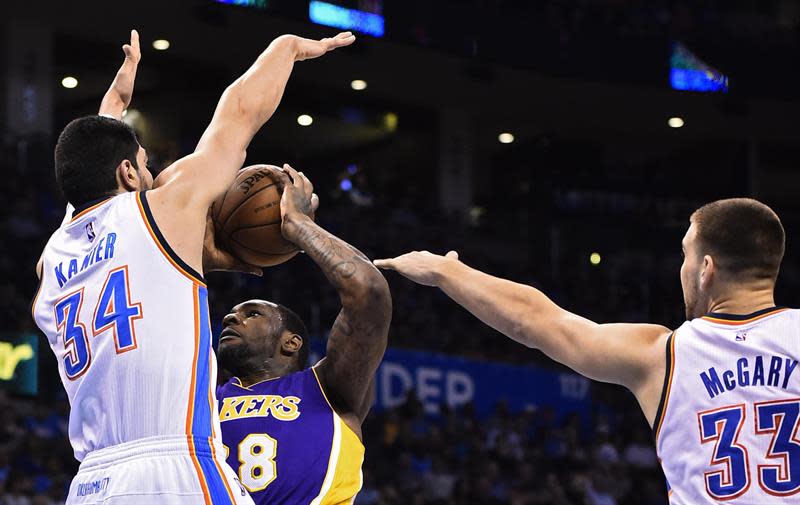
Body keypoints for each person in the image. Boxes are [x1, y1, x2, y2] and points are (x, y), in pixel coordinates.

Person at [31, 30, 355, 504]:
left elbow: (86, 170)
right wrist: (286, 47)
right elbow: (239, 113)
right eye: (144, 166)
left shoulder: (51, 259)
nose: (153, 175)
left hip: (90, 483)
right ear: (125, 174)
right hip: (177, 468)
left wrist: (113, 107)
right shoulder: (163, 208)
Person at [376, 198, 797, 504]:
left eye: (686, 254)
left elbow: (538, 321)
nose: (681, 267)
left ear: (705, 270)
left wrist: (447, 271)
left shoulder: (664, 354)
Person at [216, 165, 392, 504]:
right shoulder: (200, 401)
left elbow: (369, 295)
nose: (230, 318)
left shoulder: (327, 386)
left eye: (252, 313)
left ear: (291, 342)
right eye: (232, 315)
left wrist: (300, 225)